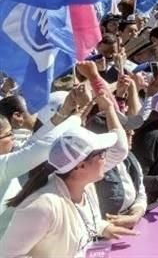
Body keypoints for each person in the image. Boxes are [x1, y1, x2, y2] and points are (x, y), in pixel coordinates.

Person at [0, 93, 136, 258]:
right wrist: (75, 118)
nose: (13, 137)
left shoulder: (85, 186)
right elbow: (37, 149)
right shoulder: (43, 206)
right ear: (80, 165)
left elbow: (36, 142)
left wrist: (102, 227)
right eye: (101, 153)